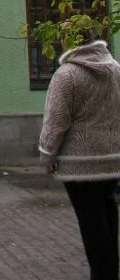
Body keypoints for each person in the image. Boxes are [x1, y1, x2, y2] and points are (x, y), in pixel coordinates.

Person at [39, 34, 120, 279]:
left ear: (71, 43)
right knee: (108, 216)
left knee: (92, 224)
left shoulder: (67, 75)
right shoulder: (115, 70)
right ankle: (109, 272)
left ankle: (103, 274)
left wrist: (47, 156)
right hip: (113, 160)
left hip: (79, 165)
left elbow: (56, 122)